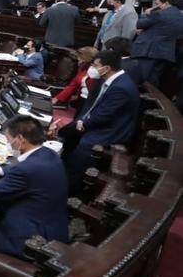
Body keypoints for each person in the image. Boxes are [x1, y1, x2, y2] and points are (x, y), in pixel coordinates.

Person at [0, 116, 68, 265]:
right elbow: (30, 176)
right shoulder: (49, 155)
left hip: (29, 241)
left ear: (20, 139)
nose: (8, 142)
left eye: (9, 139)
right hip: (52, 228)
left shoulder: (27, 168)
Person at [54, 50, 140, 191]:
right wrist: (81, 121)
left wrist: (84, 123)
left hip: (112, 131)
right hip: (98, 122)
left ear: (106, 68)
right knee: (66, 134)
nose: (91, 68)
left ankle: (69, 187)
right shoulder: (107, 80)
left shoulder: (121, 87)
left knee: (82, 146)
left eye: (95, 65)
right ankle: (59, 170)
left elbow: (104, 116)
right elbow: (91, 106)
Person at [131, 0, 183, 84]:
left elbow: (140, 24)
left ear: (166, 3)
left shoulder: (159, 13)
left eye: (158, 4)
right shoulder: (180, 16)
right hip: (166, 52)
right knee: (153, 80)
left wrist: (146, 14)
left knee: (141, 78)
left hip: (148, 50)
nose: (156, 7)